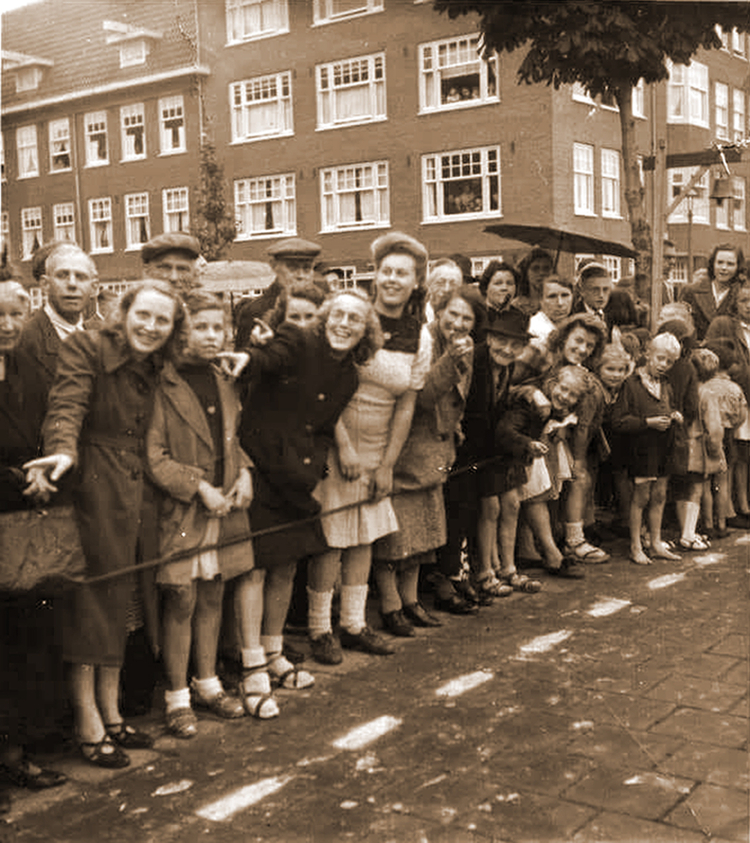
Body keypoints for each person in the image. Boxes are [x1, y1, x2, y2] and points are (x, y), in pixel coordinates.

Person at [24, 280, 185, 769]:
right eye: (144, 315)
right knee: (90, 608)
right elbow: (66, 407)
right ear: (124, 311)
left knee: (119, 605)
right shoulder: (87, 346)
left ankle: (111, 712)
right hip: (94, 490)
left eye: (163, 320)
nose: (151, 327)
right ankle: (87, 722)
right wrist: (62, 451)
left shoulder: (158, 362)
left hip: (136, 493)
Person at [231, 289, 383, 674]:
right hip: (258, 469)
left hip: (295, 479)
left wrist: (312, 466)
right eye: (339, 315)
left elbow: (324, 424)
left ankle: (272, 651)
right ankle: (252, 662)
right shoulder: (297, 340)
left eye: (355, 319)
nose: (344, 324)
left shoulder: (348, 376)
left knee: (286, 567)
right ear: (325, 318)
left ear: (365, 332)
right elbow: (268, 357)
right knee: (256, 568)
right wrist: (247, 358)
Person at [147, 292, 264, 736]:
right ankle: (177, 695)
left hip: (226, 507)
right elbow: (154, 456)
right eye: (202, 327)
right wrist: (199, 488)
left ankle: (208, 683)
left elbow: (234, 440)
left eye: (219, 328)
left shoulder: (224, 376)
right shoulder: (163, 382)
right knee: (181, 599)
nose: (212, 336)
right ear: (182, 332)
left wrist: (246, 473)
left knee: (214, 595)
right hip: (185, 512)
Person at [310, 232, 431, 652]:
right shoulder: (353, 317)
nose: (393, 279)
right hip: (335, 437)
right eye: (386, 271)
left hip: (380, 444)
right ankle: (319, 629)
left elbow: (406, 406)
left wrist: (386, 464)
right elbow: (325, 388)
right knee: (333, 537)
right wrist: (342, 446)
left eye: (403, 273)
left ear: (417, 281)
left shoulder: (422, 334)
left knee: (363, 536)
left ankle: (354, 624)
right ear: (375, 275)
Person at [371, 285, 480, 629]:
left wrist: (455, 426)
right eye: (454, 314)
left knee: (423, 537)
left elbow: (459, 397)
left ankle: (411, 600)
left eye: (468, 318)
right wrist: (450, 360)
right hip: (407, 449)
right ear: (440, 311)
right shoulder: (424, 340)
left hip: (436, 452)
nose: (459, 323)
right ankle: (391, 607)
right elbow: (424, 395)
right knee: (396, 538)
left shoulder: (465, 347)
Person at [0, 278, 68, 812]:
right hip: (10, 499)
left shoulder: (27, 370)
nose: (6, 325)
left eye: (15, 316)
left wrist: (42, 473)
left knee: (26, 636)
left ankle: (20, 750)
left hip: (25, 522)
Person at [611, 333, 684, 565]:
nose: (663, 365)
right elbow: (619, 420)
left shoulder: (665, 385)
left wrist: (674, 415)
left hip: (663, 447)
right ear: (648, 355)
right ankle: (635, 545)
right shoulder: (631, 384)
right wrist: (647, 423)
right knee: (641, 497)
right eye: (660, 358)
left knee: (660, 495)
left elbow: (667, 407)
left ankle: (655, 542)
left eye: (669, 362)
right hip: (642, 449)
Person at [545, 313, 609, 565]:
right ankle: (569, 540)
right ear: (564, 337)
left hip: (562, 440)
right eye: (578, 340)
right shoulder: (544, 359)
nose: (582, 349)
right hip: (534, 436)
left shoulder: (586, 380)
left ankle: (573, 539)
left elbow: (583, 427)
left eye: (589, 345)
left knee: (578, 476)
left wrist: (579, 458)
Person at [18, 241, 97, 393]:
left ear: (94, 288)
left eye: (80, 277)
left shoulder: (102, 337)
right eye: (62, 275)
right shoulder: (24, 341)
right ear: (45, 284)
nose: (72, 284)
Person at [234, 238, 326, 348]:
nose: (301, 275)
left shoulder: (325, 306)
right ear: (274, 266)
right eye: (293, 268)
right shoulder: (255, 311)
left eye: (307, 269)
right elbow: (243, 359)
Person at [679, 244, 745, 340]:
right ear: (712, 264)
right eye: (720, 262)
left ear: (738, 267)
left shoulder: (742, 295)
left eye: (730, 264)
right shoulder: (691, 291)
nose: (724, 268)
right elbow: (680, 326)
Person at [528, 275, 574, 346]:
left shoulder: (574, 324)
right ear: (541, 300)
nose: (560, 303)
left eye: (565, 295)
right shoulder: (534, 327)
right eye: (552, 296)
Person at [479, 261, 518, 336]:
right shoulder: (477, 317)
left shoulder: (523, 319)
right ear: (486, 287)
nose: (504, 288)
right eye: (498, 283)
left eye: (509, 283)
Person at [573, 261, 614, 329]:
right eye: (595, 290)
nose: (601, 295)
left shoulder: (610, 315)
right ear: (582, 291)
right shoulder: (574, 317)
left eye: (605, 289)